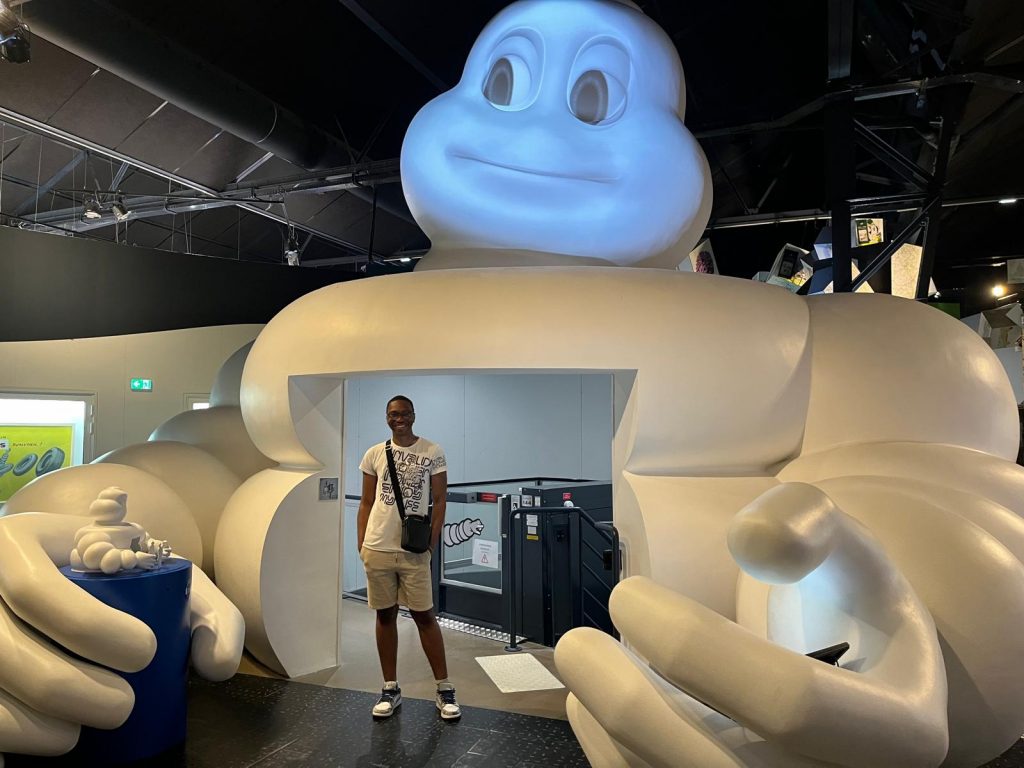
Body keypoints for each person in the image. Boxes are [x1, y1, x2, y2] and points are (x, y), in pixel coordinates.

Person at [356, 395, 460, 721]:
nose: (398, 419)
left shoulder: (432, 451)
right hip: (378, 547)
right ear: (387, 417)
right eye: (392, 414)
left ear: (413, 415)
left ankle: (444, 688)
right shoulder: (375, 453)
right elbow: (366, 502)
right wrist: (362, 543)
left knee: (424, 616)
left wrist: (431, 544)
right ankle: (390, 688)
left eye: (403, 413)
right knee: (385, 616)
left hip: (414, 551)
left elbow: (440, 501)